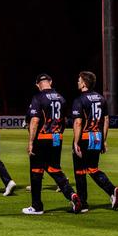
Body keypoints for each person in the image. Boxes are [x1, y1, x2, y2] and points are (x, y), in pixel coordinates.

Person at [23, 73, 81, 215]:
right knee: (54, 168)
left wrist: (30, 142)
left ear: (38, 84)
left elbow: (35, 121)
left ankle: (36, 206)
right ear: (50, 82)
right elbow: (65, 120)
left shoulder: (38, 97)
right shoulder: (61, 98)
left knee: (36, 171)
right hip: (57, 138)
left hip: (42, 138)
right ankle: (72, 195)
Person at [72, 71, 118, 212]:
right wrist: (103, 140)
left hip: (85, 138)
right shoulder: (101, 99)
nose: (77, 82)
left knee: (80, 171)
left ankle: (82, 203)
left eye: (79, 80)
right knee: (93, 168)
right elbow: (106, 120)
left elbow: (78, 122)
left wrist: (76, 142)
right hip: (97, 137)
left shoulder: (79, 100)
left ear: (83, 83)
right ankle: (112, 190)